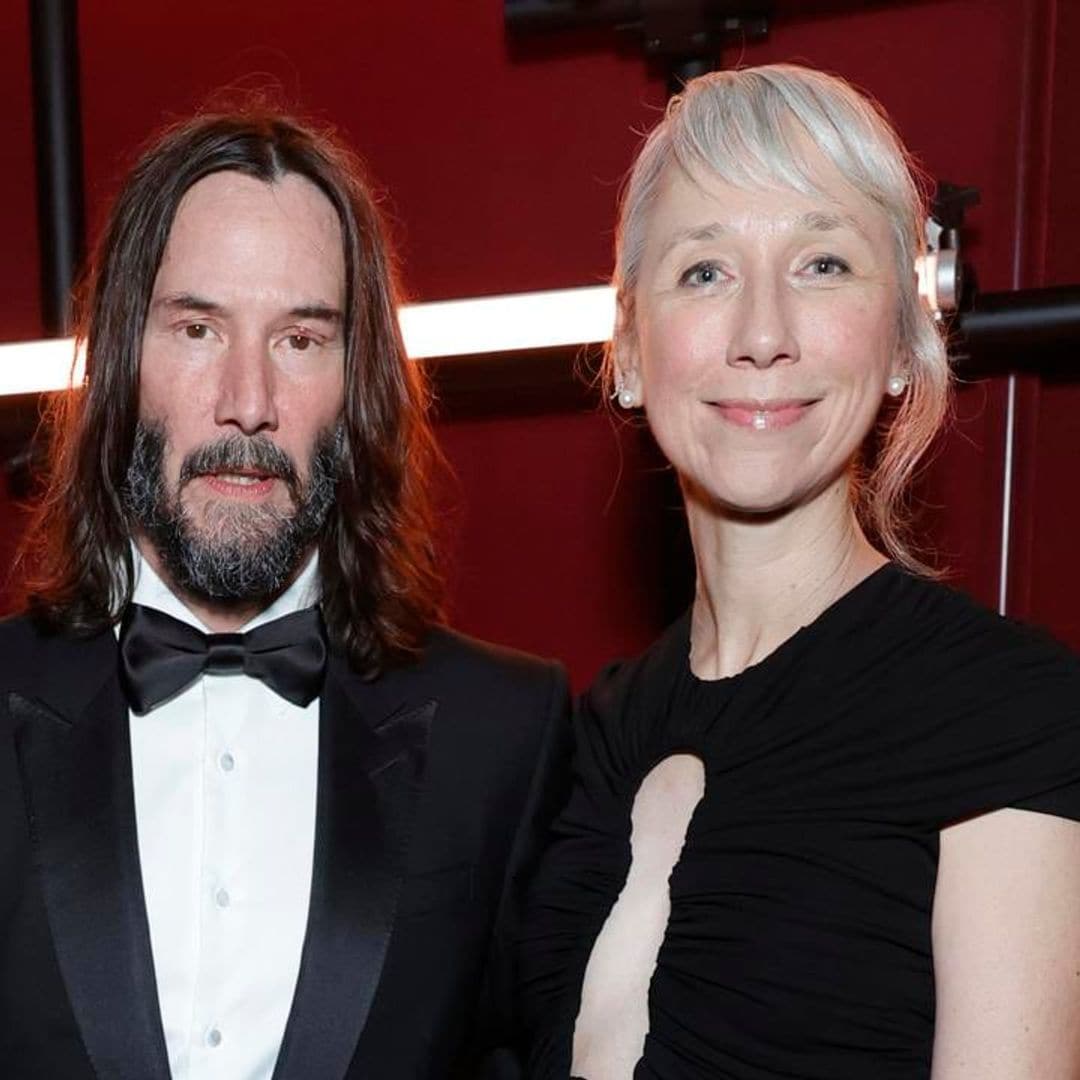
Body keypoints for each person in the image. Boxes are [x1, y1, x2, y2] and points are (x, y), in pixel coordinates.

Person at [514, 65, 1080, 1079]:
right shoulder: (583, 744)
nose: (764, 335)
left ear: (905, 342)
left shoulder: (1008, 713)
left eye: (822, 265)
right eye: (705, 271)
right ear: (632, 351)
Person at [0, 109, 568, 1080]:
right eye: (196, 327)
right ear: (121, 362)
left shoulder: (507, 733)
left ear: (359, 384)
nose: (248, 398)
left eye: (301, 339)